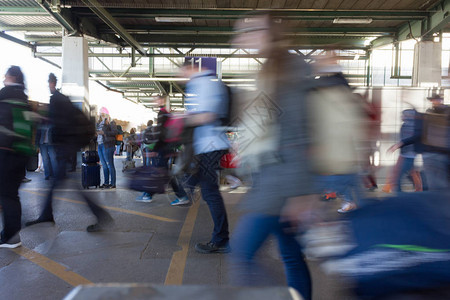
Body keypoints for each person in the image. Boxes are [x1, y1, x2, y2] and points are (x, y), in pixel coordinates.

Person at [229, 13, 317, 300]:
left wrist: (298, 193)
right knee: (291, 256)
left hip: (279, 183)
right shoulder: (274, 67)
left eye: (250, 31)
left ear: (269, 35)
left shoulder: (289, 68)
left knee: (241, 253)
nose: (241, 39)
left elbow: (297, 134)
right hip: (275, 178)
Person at [25, 73, 113, 232]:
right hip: (69, 145)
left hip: (66, 146)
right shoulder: (63, 99)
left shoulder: (56, 100)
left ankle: (99, 214)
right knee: (61, 183)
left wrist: (40, 119)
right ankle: (47, 215)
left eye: (48, 82)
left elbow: (58, 124)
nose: (48, 85)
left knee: (67, 184)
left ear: (52, 83)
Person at [179, 60, 231, 254]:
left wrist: (182, 118)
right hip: (205, 146)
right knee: (196, 184)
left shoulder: (205, 83)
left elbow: (207, 116)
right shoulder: (203, 83)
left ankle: (221, 239)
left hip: (210, 146)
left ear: (191, 68)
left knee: (210, 193)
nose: (182, 75)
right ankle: (221, 237)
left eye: (182, 71)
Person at [0, 66, 32, 248]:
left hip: (6, 150)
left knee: (7, 194)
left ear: (12, 77)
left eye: (5, 76)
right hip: (22, 152)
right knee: (12, 194)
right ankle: (11, 234)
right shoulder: (24, 99)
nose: (4, 79)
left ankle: (11, 236)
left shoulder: (4, 95)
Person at [388, 94, 449, 191]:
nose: (434, 102)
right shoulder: (429, 113)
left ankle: (416, 191)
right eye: (433, 100)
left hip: (439, 153)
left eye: (436, 100)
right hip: (430, 153)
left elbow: (418, 134)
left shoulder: (445, 112)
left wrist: (400, 144)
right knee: (431, 181)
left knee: (437, 182)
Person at [136, 96, 189, 204]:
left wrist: (155, 149)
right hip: (167, 147)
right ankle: (149, 194)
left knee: (161, 173)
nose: (155, 101)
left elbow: (161, 133)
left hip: (163, 148)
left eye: (156, 99)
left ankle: (181, 196)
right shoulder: (167, 114)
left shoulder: (162, 114)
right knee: (160, 172)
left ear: (161, 101)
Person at [97, 114, 117, 189]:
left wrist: (104, 133)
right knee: (104, 165)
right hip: (100, 145)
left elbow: (115, 132)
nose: (101, 115)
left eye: (103, 114)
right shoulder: (99, 123)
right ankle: (106, 183)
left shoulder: (111, 122)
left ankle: (113, 183)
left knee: (110, 165)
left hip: (107, 146)